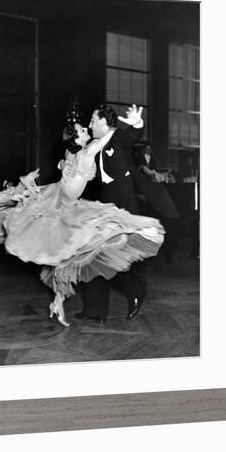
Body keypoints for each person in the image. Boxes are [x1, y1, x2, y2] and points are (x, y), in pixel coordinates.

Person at [0, 118, 164, 327]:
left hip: (61, 202)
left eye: (87, 126)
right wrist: (122, 124)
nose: (87, 129)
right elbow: (107, 137)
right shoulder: (88, 150)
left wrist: (64, 163)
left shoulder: (72, 152)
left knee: (70, 258)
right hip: (62, 206)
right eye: (82, 129)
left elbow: (67, 162)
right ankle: (66, 303)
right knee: (70, 256)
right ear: (76, 138)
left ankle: (60, 303)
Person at [74, 104, 149, 323]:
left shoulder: (118, 138)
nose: (90, 125)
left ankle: (134, 290)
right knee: (93, 257)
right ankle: (96, 311)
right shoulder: (94, 145)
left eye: (93, 121)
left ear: (105, 123)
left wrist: (137, 123)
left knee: (102, 258)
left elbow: (134, 134)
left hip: (121, 210)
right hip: (103, 206)